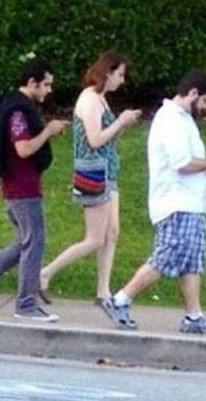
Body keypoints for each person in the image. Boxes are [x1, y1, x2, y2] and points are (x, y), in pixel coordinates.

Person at [106, 71, 206, 333]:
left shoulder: (183, 119)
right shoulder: (171, 119)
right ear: (193, 93)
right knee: (166, 257)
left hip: (191, 205)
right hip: (176, 203)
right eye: (205, 100)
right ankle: (120, 299)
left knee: (192, 262)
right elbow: (182, 163)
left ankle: (194, 316)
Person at [0, 58, 68, 321]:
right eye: (46, 84)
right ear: (32, 82)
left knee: (24, 242)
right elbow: (23, 149)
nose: (49, 90)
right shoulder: (18, 112)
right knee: (35, 242)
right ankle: (26, 304)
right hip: (22, 187)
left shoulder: (18, 107)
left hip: (22, 186)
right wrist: (48, 131)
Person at [39, 51, 141, 314]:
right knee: (95, 238)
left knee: (112, 232)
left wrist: (121, 124)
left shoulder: (101, 99)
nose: (122, 80)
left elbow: (105, 137)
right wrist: (120, 122)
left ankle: (103, 291)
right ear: (107, 72)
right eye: (120, 74)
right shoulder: (90, 99)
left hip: (107, 173)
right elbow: (95, 140)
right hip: (93, 174)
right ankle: (45, 273)